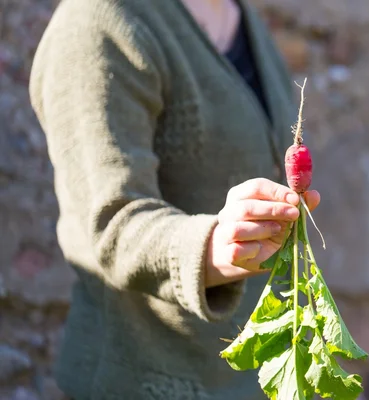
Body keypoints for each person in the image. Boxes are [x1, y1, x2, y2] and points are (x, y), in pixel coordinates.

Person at [29, 0, 320, 398]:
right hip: (147, 379)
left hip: (247, 377)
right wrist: (218, 245)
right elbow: (114, 224)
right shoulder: (98, 21)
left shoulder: (237, 15)